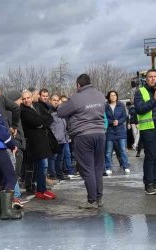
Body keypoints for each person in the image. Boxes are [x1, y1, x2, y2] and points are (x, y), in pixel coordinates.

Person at [57, 73, 107, 208]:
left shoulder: (76, 98)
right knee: (98, 167)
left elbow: (61, 112)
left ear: (78, 85)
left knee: (87, 168)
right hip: (100, 134)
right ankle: (99, 198)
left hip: (83, 135)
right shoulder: (100, 95)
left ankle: (91, 201)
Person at [20, 89, 56, 200]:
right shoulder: (23, 110)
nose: (26, 100)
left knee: (41, 166)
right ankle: (41, 190)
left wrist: (42, 124)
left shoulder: (37, 106)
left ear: (31, 97)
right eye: (24, 98)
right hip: (34, 142)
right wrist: (41, 122)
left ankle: (41, 189)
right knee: (42, 165)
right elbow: (35, 121)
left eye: (28, 98)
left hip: (43, 140)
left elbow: (50, 118)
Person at [104, 90, 130, 175]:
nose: (113, 97)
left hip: (120, 130)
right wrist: (111, 122)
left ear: (117, 96)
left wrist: (118, 121)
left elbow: (125, 116)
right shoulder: (106, 106)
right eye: (111, 95)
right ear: (108, 97)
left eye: (114, 95)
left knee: (123, 150)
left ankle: (126, 166)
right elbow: (104, 118)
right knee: (108, 151)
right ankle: (108, 167)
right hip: (110, 131)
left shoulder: (121, 105)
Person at [50, 93, 74, 179]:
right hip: (55, 139)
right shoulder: (50, 113)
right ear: (50, 101)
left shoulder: (61, 112)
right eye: (54, 100)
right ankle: (52, 175)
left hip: (63, 139)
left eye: (57, 100)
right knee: (53, 158)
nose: (56, 102)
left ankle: (59, 175)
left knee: (60, 158)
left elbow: (65, 125)